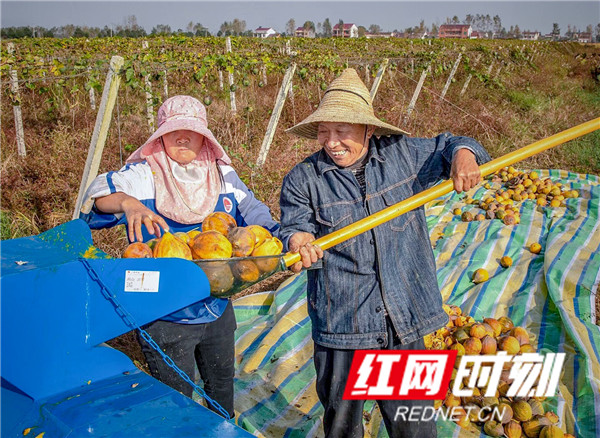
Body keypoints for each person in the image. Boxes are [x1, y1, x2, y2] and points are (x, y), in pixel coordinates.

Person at [279, 69, 491, 437]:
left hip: (403, 317)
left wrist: (465, 156)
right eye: (323, 131)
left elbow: (456, 142)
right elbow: (294, 226)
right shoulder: (303, 179)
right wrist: (298, 241)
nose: (332, 142)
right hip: (343, 324)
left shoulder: (404, 156)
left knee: (414, 428)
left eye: (342, 131)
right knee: (343, 428)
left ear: (369, 129)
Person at [80, 95, 279, 419]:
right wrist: (129, 204)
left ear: (205, 137)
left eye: (191, 131)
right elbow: (101, 194)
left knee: (221, 390)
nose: (183, 138)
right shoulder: (145, 173)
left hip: (216, 306)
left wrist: (281, 235)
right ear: (160, 136)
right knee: (176, 402)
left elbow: (254, 211)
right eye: (174, 132)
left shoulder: (220, 174)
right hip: (166, 316)